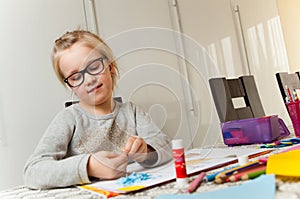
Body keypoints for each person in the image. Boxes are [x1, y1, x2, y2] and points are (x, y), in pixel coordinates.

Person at [23, 30, 172, 189]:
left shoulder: (132, 112)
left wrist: (147, 152)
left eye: (94, 67)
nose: (89, 79)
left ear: (111, 67)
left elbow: (167, 147)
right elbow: (32, 171)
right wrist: (89, 166)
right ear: (70, 86)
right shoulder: (69, 118)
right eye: (75, 77)